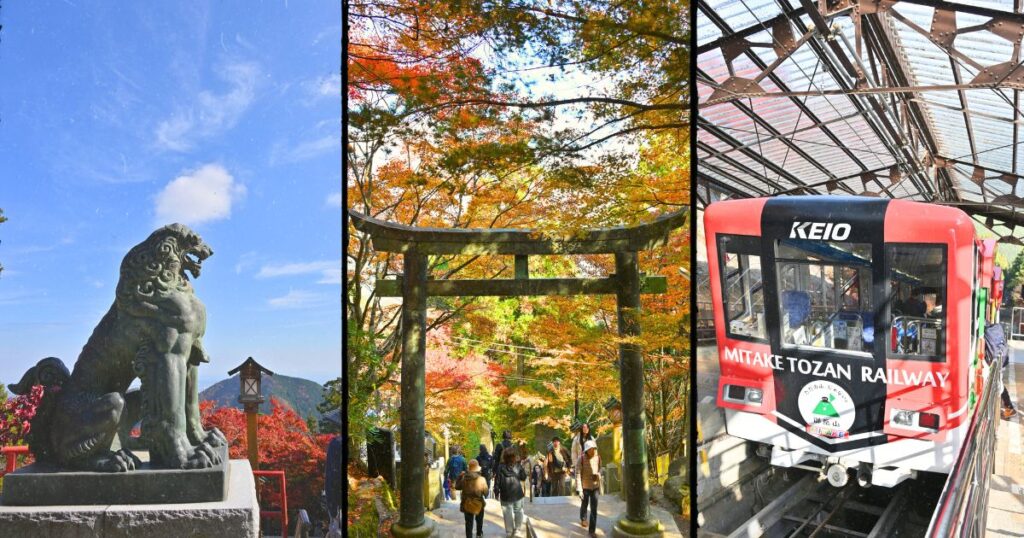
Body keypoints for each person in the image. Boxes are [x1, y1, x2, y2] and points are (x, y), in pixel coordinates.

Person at [495, 445, 528, 537]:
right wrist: (522, 468)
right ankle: (517, 530)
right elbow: (523, 477)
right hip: (517, 493)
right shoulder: (518, 466)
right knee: (518, 511)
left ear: (504, 457)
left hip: (505, 494)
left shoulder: (500, 467)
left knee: (507, 512)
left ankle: (509, 532)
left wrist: (496, 492)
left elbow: (497, 481)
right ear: (514, 456)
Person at [457, 459, 489, 538]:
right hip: (479, 503)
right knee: (479, 520)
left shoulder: (464, 478)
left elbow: (457, 487)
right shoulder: (482, 479)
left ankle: (469, 536)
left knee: (468, 522)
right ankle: (479, 534)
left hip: (466, 503)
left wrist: (459, 476)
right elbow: (486, 493)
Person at [578, 439, 601, 537]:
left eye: (593, 448)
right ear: (586, 450)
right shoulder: (581, 459)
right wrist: (579, 489)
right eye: (590, 449)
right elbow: (577, 473)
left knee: (594, 508)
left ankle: (592, 530)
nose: (592, 451)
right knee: (584, 503)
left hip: (595, 486)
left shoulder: (598, 457)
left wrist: (599, 474)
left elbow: (601, 468)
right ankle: (583, 518)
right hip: (585, 486)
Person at [571, 422, 594, 496]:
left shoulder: (592, 438)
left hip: (590, 461)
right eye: (584, 427)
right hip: (580, 461)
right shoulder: (577, 439)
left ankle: (589, 491)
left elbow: (595, 451)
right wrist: (575, 463)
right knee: (580, 477)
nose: (585, 429)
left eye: (587, 427)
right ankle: (581, 492)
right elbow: (573, 452)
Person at [492, 431, 513, 496]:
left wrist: (494, 471)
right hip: (511, 467)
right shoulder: (513, 446)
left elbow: (496, 458)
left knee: (497, 482)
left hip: (501, 466)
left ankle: (496, 495)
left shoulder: (499, 445)